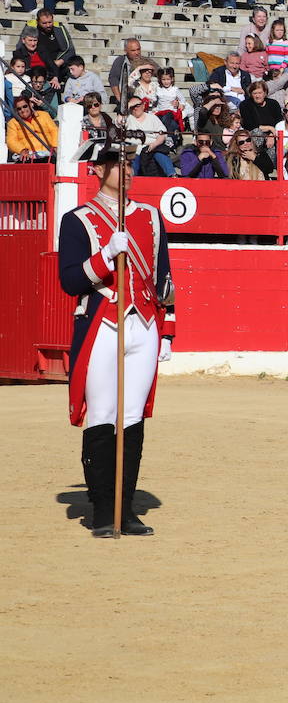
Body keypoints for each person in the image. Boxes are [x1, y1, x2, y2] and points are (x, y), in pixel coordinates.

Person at [58, 137, 175, 537]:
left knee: (133, 417)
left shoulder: (150, 215)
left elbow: (164, 280)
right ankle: (102, 511)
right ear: (95, 171)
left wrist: (169, 331)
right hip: (101, 323)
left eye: (127, 162)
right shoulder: (77, 220)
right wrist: (106, 254)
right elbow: (70, 280)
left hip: (144, 324)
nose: (124, 169)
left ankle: (126, 509)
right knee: (104, 415)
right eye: (113, 162)